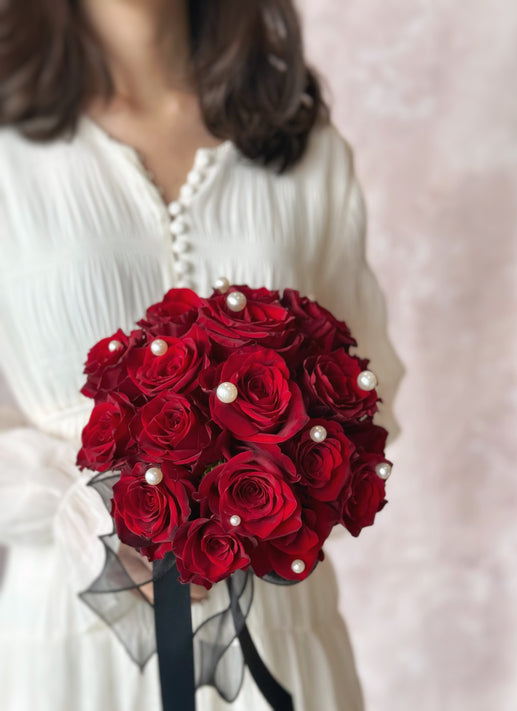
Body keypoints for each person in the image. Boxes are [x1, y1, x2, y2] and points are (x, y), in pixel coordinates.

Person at [0, 1, 406, 709]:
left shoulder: (301, 144)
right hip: (74, 639)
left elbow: (369, 394)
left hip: (278, 633)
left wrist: (271, 487)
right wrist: (103, 510)